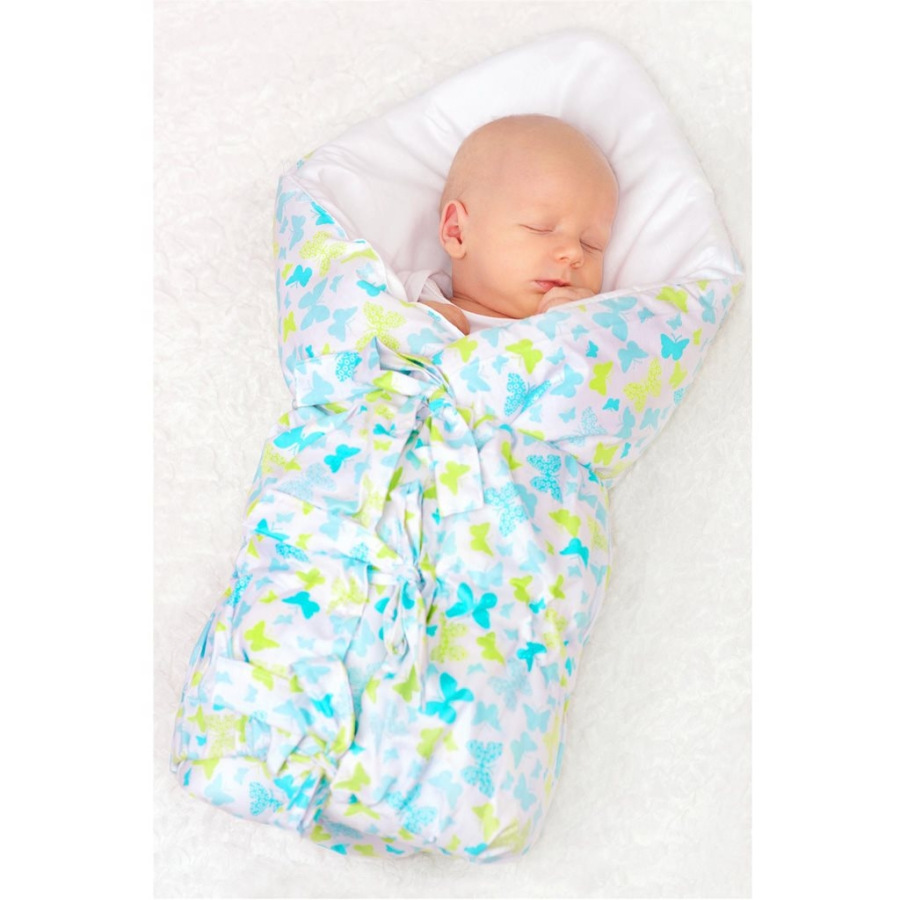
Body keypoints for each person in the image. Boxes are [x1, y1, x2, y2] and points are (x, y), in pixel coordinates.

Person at [409, 114, 619, 334]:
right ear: (457, 232)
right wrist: (415, 330)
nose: (574, 252)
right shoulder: (412, 300)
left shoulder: (596, 325)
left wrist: (587, 326)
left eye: (590, 244)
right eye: (541, 228)